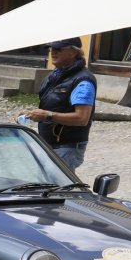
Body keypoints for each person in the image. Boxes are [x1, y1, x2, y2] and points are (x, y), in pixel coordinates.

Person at [26, 38, 96, 170]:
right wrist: (30, 114)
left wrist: (47, 115)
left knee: (54, 182)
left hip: (67, 147)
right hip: (50, 144)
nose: (53, 52)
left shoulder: (83, 80)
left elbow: (82, 118)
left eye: (58, 49)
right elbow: (53, 106)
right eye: (51, 48)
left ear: (74, 52)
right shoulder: (56, 74)